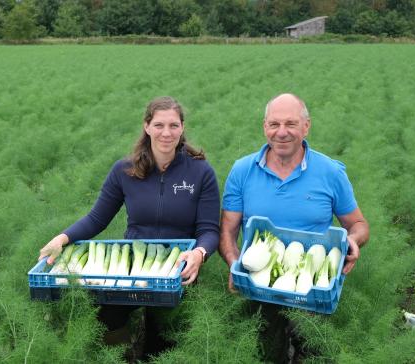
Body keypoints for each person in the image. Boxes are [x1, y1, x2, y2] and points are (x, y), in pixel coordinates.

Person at [38, 96, 220, 355]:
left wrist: (199, 254)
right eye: (159, 125)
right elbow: (97, 218)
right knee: (107, 320)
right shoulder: (125, 171)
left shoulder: (201, 172)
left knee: (165, 341)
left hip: (178, 267)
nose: (166, 133)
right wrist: (62, 238)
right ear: (147, 126)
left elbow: (209, 230)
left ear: (182, 128)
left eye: (173, 125)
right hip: (132, 266)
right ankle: (121, 356)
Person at [219, 93, 369, 361]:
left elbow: (358, 224)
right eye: (274, 124)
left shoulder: (330, 172)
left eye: (291, 123)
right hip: (259, 283)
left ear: (306, 126)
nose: (282, 132)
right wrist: (234, 263)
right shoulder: (242, 170)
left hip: (312, 284)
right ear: (265, 126)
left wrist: (354, 240)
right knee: (265, 351)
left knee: (312, 351)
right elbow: (228, 230)